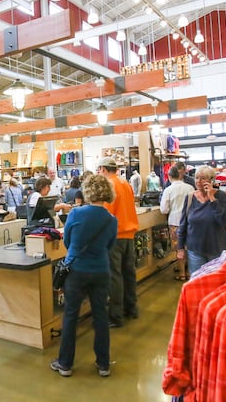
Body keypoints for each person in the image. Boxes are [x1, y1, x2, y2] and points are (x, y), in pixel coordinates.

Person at [50, 175, 118, 378]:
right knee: (100, 317)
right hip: (101, 271)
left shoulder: (76, 214)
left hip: (77, 270)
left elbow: (68, 242)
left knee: (71, 316)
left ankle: (65, 363)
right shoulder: (111, 219)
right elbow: (109, 246)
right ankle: (103, 364)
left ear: (87, 191)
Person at [98, 157, 139, 327]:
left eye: (99, 170)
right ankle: (131, 308)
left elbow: (107, 214)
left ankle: (115, 316)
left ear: (103, 169)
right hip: (129, 234)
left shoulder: (109, 186)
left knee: (115, 277)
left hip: (114, 237)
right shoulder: (125, 184)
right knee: (129, 273)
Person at [177, 166, 226, 276]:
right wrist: (180, 248)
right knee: (197, 282)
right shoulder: (190, 198)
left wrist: (212, 198)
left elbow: (224, 220)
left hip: (217, 248)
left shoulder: (221, 196)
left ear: (212, 180)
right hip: (195, 250)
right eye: (196, 178)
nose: (198, 181)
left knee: (216, 283)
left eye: (203, 178)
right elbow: (183, 224)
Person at [159, 166, 194, 281]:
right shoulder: (189, 188)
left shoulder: (168, 190)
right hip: (189, 221)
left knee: (179, 248)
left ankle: (182, 273)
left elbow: (163, 209)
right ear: (180, 175)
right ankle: (189, 272)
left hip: (175, 222)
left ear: (169, 177)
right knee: (189, 247)